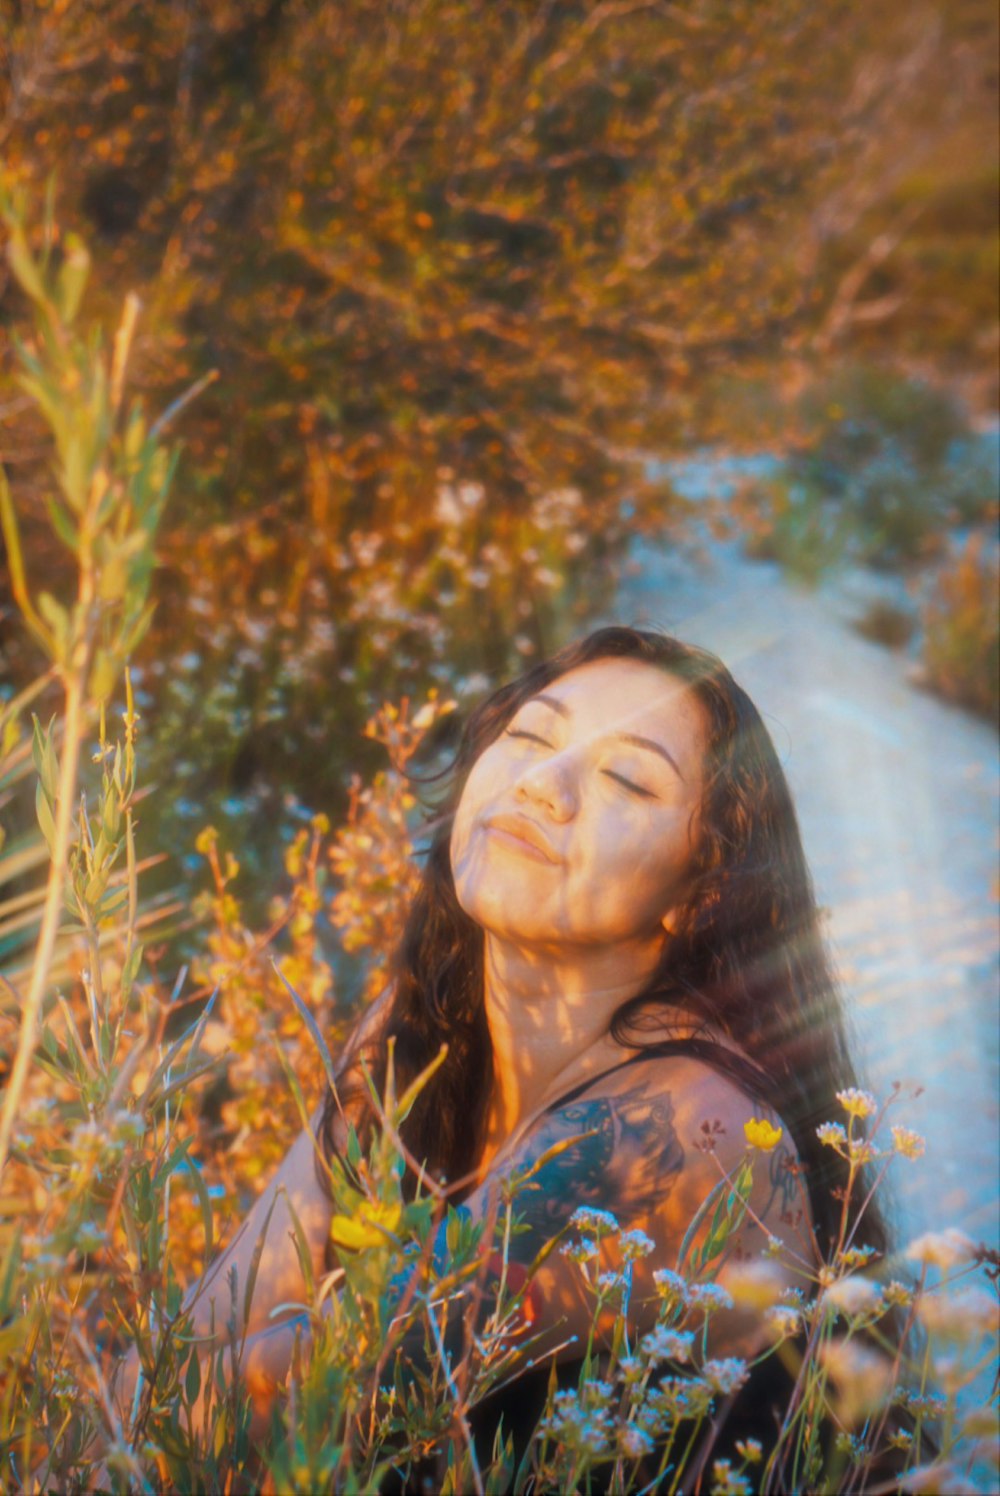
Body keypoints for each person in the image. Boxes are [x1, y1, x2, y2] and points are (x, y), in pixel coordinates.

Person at [111, 626, 890, 1475]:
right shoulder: (424, 1021)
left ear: (699, 895)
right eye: (529, 735)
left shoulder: (676, 1130)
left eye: (626, 777)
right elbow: (219, 1323)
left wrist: (112, 1424)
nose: (541, 785)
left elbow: (312, 1392)